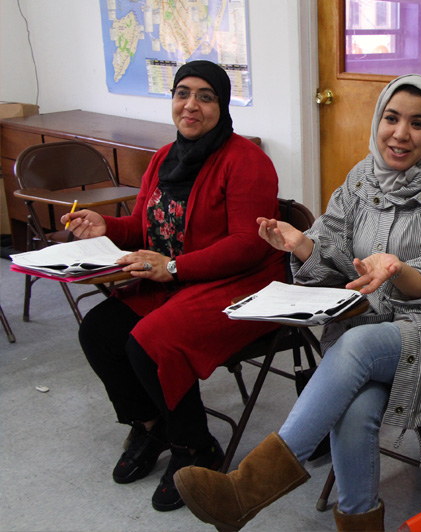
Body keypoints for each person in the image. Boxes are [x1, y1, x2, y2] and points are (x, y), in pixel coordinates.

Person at [172, 74, 421, 532]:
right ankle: (358, 523)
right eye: (391, 119)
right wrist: (300, 245)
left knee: (355, 348)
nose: (400, 133)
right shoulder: (362, 178)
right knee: (354, 405)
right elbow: (334, 247)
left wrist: (399, 270)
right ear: (377, 121)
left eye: (417, 124)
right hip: (386, 329)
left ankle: (246, 489)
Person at [61, 61, 285, 512]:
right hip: (175, 276)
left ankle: (195, 446)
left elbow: (247, 246)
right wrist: (107, 225)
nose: (192, 105)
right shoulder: (165, 157)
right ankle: (151, 425)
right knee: (99, 330)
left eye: (206, 96)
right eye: (183, 93)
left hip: (242, 284)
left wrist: (175, 268)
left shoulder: (248, 162)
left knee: (151, 341)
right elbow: (144, 228)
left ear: (222, 106)